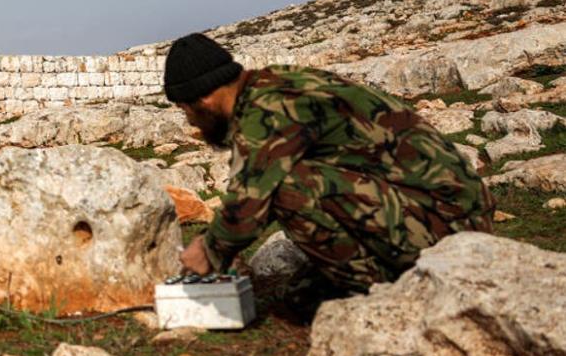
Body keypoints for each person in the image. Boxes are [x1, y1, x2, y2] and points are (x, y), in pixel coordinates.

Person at [167, 33, 494, 294]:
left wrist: (210, 248)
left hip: (450, 225)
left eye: (186, 111)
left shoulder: (267, 109)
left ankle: (378, 291)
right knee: (298, 294)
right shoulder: (272, 88)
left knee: (290, 188)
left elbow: (250, 201)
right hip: (441, 209)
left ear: (204, 99)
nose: (192, 123)